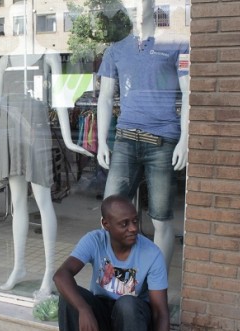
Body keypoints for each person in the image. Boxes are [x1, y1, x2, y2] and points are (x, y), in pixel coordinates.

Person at [0, 0, 92, 296]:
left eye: (22, 16)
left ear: (33, 18)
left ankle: (49, 272)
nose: (18, 22)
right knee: (17, 204)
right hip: (11, 136)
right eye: (13, 18)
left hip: (36, 135)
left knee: (44, 201)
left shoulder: (48, 55)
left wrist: (69, 138)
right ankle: (19, 267)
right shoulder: (5, 59)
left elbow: (59, 99)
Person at [96, 0, 190, 270]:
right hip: (125, 140)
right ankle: (113, 279)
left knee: (161, 219)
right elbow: (105, 98)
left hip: (162, 142)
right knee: (109, 213)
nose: (135, 5)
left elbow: (188, 93)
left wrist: (185, 139)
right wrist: (102, 140)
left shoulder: (176, 44)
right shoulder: (116, 50)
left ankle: (154, 289)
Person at [54, 195, 169, 331]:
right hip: (102, 310)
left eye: (135, 221)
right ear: (106, 224)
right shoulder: (95, 240)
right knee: (68, 297)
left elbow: (160, 312)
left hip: (133, 319)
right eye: (124, 224)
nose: (133, 228)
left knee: (127, 304)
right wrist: (84, 309)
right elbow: (61, 275)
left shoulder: (152, 253)